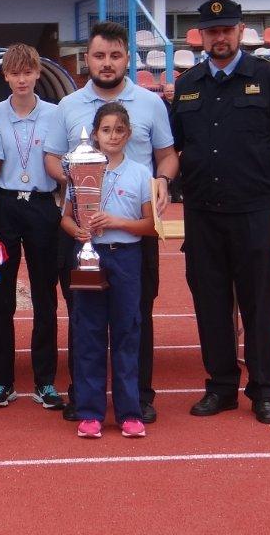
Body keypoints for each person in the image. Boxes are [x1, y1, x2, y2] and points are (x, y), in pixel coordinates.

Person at [171, 0, 270, 425]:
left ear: (240, 31)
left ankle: (264, 390)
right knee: (210, 305)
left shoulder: (268, 77)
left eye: (227, 30)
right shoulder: (189, 84)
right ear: (201, 37)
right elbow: (175, 148)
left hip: (254, 212)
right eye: (212, 32)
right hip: (204, 213)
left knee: (257, 305)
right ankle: (221, 386)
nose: (220, 38)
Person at [44, 21, 178, 425]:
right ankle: (83, 398)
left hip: (132, 232)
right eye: (99, 55)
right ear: (88, 58)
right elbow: (52, 158)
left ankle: (137, 397)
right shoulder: (68, 106)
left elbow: (168, 155)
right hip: (85, 232)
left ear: (126, 58)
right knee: (84, 316)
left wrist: (163, 184)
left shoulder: (151, 103)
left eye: (115, 55)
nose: (107, 63)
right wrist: (81, 186)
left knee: (136, 315)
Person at [61, 102, 155, 440]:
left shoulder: (141, 173)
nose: (112, 136)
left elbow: (150, 226)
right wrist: (79, 232)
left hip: (126, 257)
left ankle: (130, 412)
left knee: (127, 331)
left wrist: (117, 222)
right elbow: (66, 218)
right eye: (106, 130)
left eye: (119, 130)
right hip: (89, 256)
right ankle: (90, 412)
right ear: (96, 134)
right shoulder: (79, 168)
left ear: (128, 134)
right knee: (88, 332)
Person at [0, 44, 65, 411]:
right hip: (4, 206)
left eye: (28, 72)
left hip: (40, 206)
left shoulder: (55, 114)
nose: (21, 79)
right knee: (1, 298)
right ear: (5, 76)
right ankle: (1, 381)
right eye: (14, 73)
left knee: (45, 297)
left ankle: (45, 380)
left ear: (38, 74)